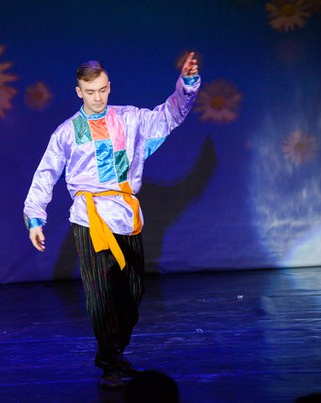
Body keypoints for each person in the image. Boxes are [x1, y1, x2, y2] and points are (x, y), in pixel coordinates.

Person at [23, 53, 200, 388]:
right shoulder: (66, 133)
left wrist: (187, 84)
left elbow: (170, 115)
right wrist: (35, 217)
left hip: (125, 215)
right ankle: (109, 364)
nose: (98, 97)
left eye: (103, 90)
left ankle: (114, 352)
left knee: (133, 292)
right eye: (90, 92)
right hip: (89, 219)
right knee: (100, 295)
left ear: (109, 86)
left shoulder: (129, 119)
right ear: (78, 92)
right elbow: (46, 173)